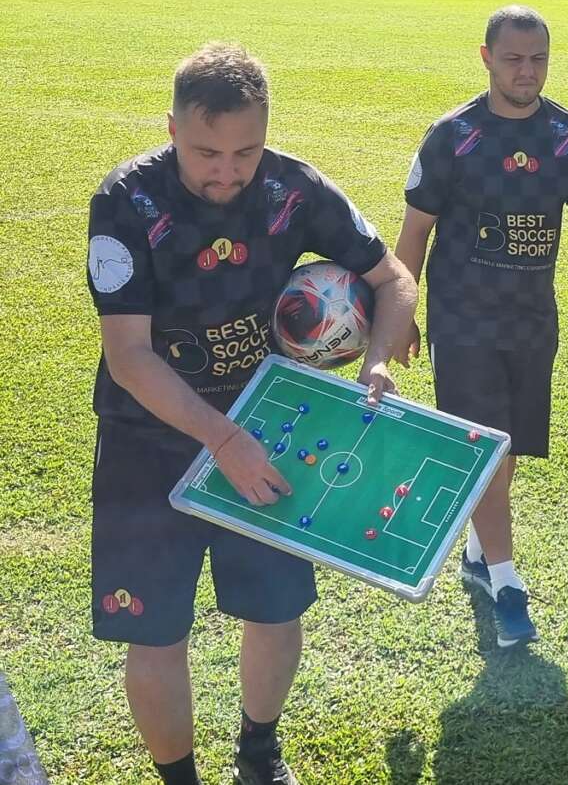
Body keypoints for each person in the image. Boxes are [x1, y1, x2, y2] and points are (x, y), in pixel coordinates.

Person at [86, 43, 417, 785]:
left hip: (271, 428)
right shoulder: (125, 202)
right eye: (207, 152)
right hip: (149, 443)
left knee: (274, 610)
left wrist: (377, 361)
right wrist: (221, 438)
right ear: (172, 128)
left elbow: (393, 278)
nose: (228, 171)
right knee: (156, 632)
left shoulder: (292, 187)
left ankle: (259, 756)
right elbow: (129, 356)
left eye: (246, 151)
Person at [392, 5, 568, 648]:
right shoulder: (452, 136)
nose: (526, 72)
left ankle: (478, 554)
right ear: (486, 58)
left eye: (538, 59)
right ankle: (507, 584)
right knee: (488, 449)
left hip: (532, 320)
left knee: (506, 452)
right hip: (462, 319)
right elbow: (415, 232)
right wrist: (403, 313)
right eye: (513, 59)